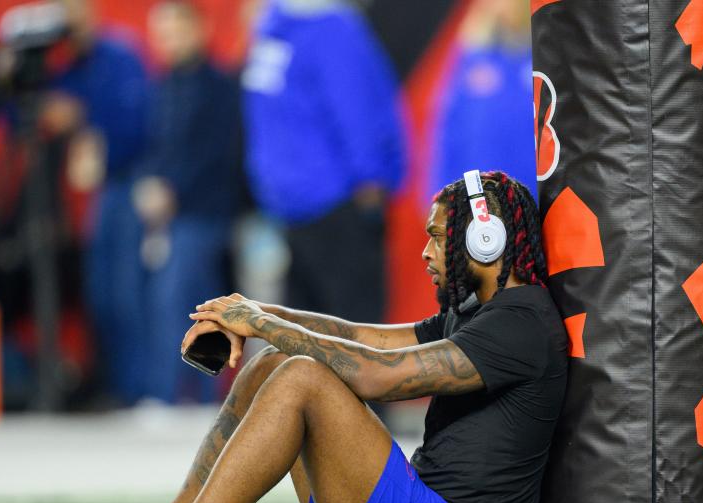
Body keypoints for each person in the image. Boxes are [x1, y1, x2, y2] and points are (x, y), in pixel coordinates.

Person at [53, 170, 568, 503]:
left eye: (436, 236)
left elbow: (377, 376)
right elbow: (361, 338)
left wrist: (260, 321)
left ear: (486, 239)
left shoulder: (520, 323)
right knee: (276, 360)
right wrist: (258, 314)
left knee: (303, 374)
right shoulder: (483, 312)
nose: (426, 251)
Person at [241, 0, 405, 323]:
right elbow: (358, 112)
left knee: (304, 340)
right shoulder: (332, 30)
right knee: (359, 340)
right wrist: (372, 177)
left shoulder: (270, 32)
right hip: (334, 204)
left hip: (288, 204)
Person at [42, 0, 150, 407]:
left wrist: (85, 118)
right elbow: (20, 116)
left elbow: (137, 123)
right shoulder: (66, 68)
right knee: (100, 294)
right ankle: (114, 388)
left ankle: (138, 390)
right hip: (90, 196)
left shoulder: (119, 55)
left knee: (125, 293)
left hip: (126, 183)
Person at [135, 0, 240, 403]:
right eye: (161, 33)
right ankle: (174, 392)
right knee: (168, 301)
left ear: (198, 30)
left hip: (205, 211)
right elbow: (155, 147)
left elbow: (214, 151)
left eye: (175, 30)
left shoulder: (218, 86)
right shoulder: (162, 86)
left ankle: (196, 394)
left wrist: (171, 189)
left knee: (195, 303)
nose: (167, 41)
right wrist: (149, 185)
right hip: (166, 217)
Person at [429, 0, 535, 198]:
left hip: (537, 195)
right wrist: (440, 192)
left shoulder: (547, 56)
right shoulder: (472, 56)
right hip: (480, 198)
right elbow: (448, 126)